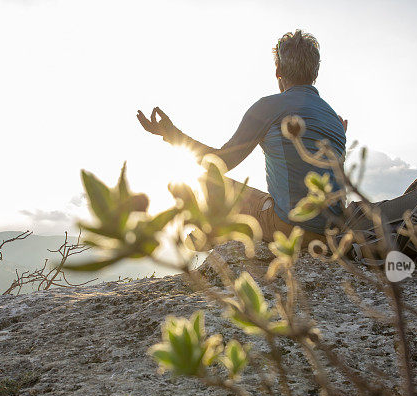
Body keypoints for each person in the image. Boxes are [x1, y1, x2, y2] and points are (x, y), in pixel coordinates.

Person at [137, 30, 348, 244]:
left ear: (278, 72)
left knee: (208, 182)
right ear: (315, 73)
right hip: (331, 234)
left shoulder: (269, 107)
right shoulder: (333, 119)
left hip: (291, 228)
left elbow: (220, 162)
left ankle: (213, 238)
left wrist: (172, 134)